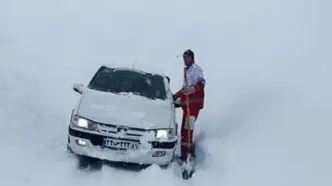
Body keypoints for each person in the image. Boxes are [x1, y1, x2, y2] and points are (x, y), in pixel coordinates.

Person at [173, 49, 205, 164]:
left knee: (188, 130)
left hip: (194, 105)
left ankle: (189, 155)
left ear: (192, 58)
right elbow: (184, 89)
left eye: (186, 58)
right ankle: (183, 155)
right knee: (184, 130)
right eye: (183, 58)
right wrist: (175, 96)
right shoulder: (187, 71)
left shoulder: (196, 69)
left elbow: (201, 84)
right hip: (187, 105)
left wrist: (193, 89)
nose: (184, 60)